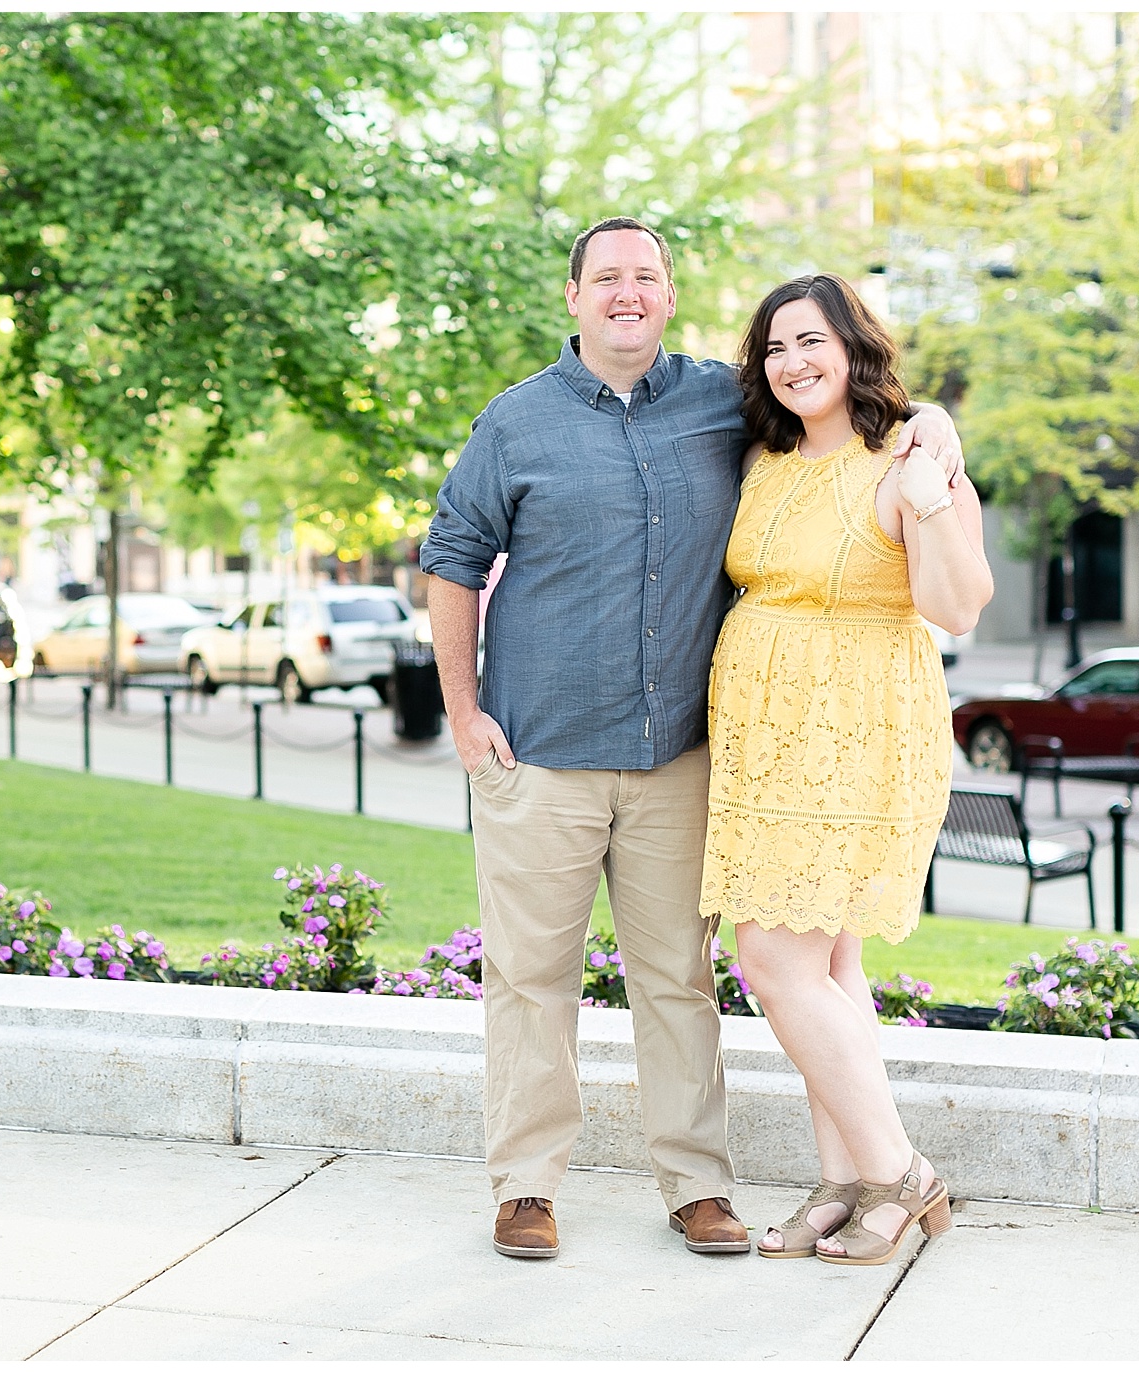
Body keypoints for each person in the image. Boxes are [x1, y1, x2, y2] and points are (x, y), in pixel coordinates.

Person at [419, 218, 964, 1261]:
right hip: (536, 752)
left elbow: (845, 416)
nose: (627, 292)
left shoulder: (726, 406)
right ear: (572, 295)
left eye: (646, 276)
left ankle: (696, 1187)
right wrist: (461, 706)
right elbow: (451, 561)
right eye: (606, 276)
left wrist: (930, 421)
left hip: (680, 756)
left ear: (669, 295)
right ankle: (524, 1187)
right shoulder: (513, 423)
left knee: (680, 978)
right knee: (532, 978)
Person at [701, 273, 992, 1264]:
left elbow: (956, 607)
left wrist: (931, 498)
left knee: (772, 963)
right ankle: (843, 1181)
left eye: (810, 340)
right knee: (826, 964)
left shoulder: (906, 454)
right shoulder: (759, 457)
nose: (791, 362)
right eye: (774, 347)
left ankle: (900, 1175)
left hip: (859, 727)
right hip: (761, 730)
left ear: (852, 346)